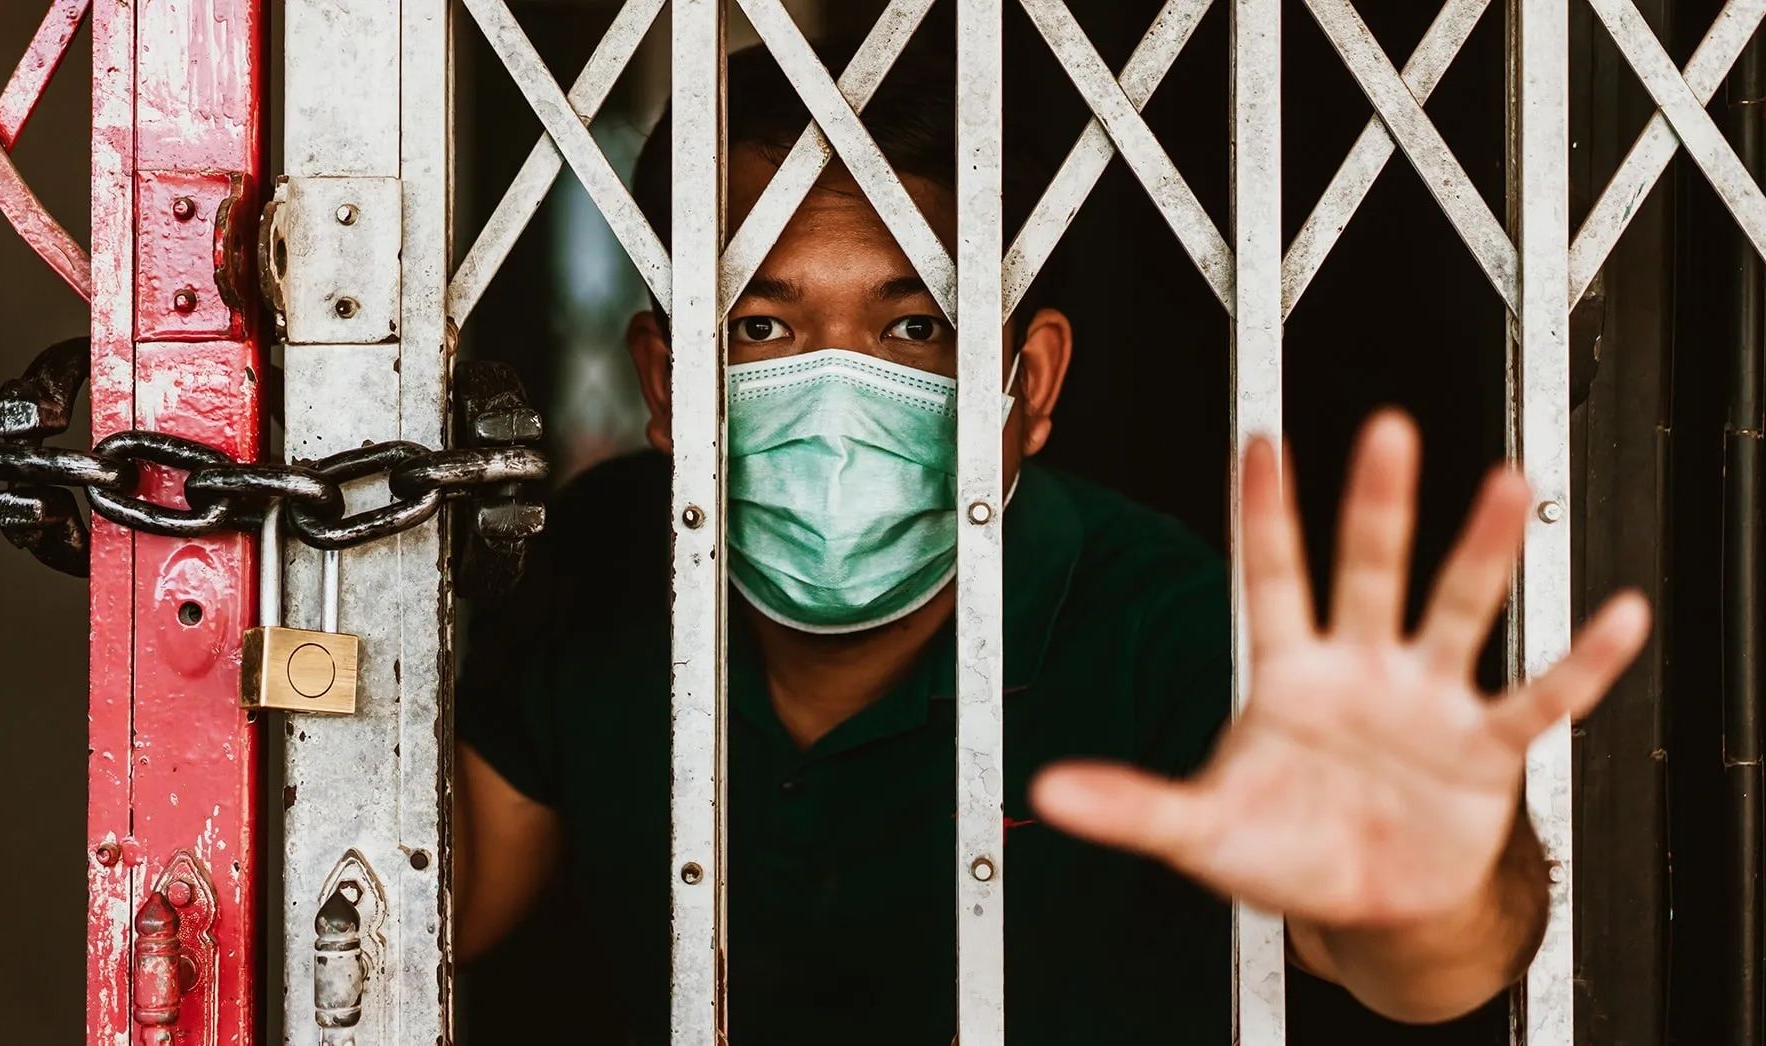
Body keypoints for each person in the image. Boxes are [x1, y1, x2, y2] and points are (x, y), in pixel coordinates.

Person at [451, 42, 1650, 1044]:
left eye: (912, 324)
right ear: (666, 378)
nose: (834, 387)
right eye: (761, 324)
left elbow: (1430, 962)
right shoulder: (596, 557)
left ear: (1026, 379)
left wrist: (1432, 877)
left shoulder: (1168, 626)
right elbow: (421, 905)